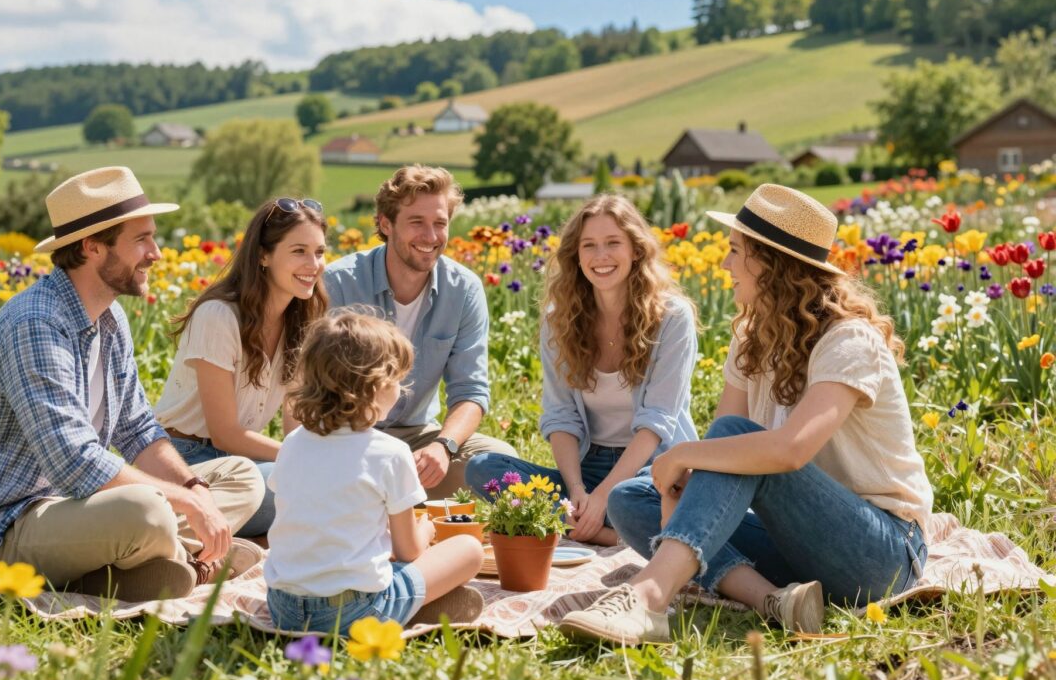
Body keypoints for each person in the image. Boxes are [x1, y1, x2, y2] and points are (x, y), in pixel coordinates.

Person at [559, 184, 932, 644]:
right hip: (797, 543)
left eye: (735, 250)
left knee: (738, 440)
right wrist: (680, 489)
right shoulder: (751, 338)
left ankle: (648, 597)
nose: (725, 264)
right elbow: (720, 448)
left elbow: (789, 451)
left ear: (771, 262)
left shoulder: (848, 340)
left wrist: (685, 456)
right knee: (630, 500)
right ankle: (776, 601)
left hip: (881, 555)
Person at [0, 167, 264, 602]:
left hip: (76, 510)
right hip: (3, 529)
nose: (156, 253)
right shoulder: (35, 324)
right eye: (142, 239)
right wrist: (186, 505)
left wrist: (195, 492)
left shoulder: (111, 319)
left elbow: (139, 431)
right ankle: (176, 559)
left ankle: (144, 567)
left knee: (241, 477)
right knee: (148, 511)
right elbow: (74, 463)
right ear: (92, 246)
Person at [466, 194, 698, 545]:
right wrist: (576, 490)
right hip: (587, 467)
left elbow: (657, 422)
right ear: (576, 255)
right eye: (589, 245)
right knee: (483, 469)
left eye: (613, 243)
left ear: (636, 250)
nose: (600, 256)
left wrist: (604, 495)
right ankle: (604, 530)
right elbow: (561, 415)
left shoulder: (672, 318)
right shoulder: (559, 321)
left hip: (650, 469)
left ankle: (587, 528)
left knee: (630, 501)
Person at [264, 309, 485, 634]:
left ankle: (413, 604)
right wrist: (426, 529)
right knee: (468, 549)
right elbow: (408, 551)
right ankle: (412, 607)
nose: (401, 388)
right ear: (374, 386)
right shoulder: (390, 452)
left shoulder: (293, 443)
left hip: (284, 608)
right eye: (396, 379)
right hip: (354, 611)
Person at [324, 165, 516, 499]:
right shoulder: (339, 284)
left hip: (419, 439)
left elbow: (471, 390)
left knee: (501, 464)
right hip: (347, 438)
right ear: (386, 224)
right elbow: (318, 389)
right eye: (416, 222)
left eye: (440, 223)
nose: (431, 236)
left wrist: (444, 446)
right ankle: (391, 500)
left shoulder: (464, 290)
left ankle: (395, 498)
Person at [155, 198, 328, 537]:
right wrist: (304, 460)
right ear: (263, 256)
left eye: (319, 252)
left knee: (317, 486)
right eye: (299, 251)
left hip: (242, 463)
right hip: (186, 460)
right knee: (296, 490)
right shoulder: (219, 316)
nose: (313, 264)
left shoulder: (301, 323)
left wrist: (322, 457)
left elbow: (296, 426)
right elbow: (225, 433)